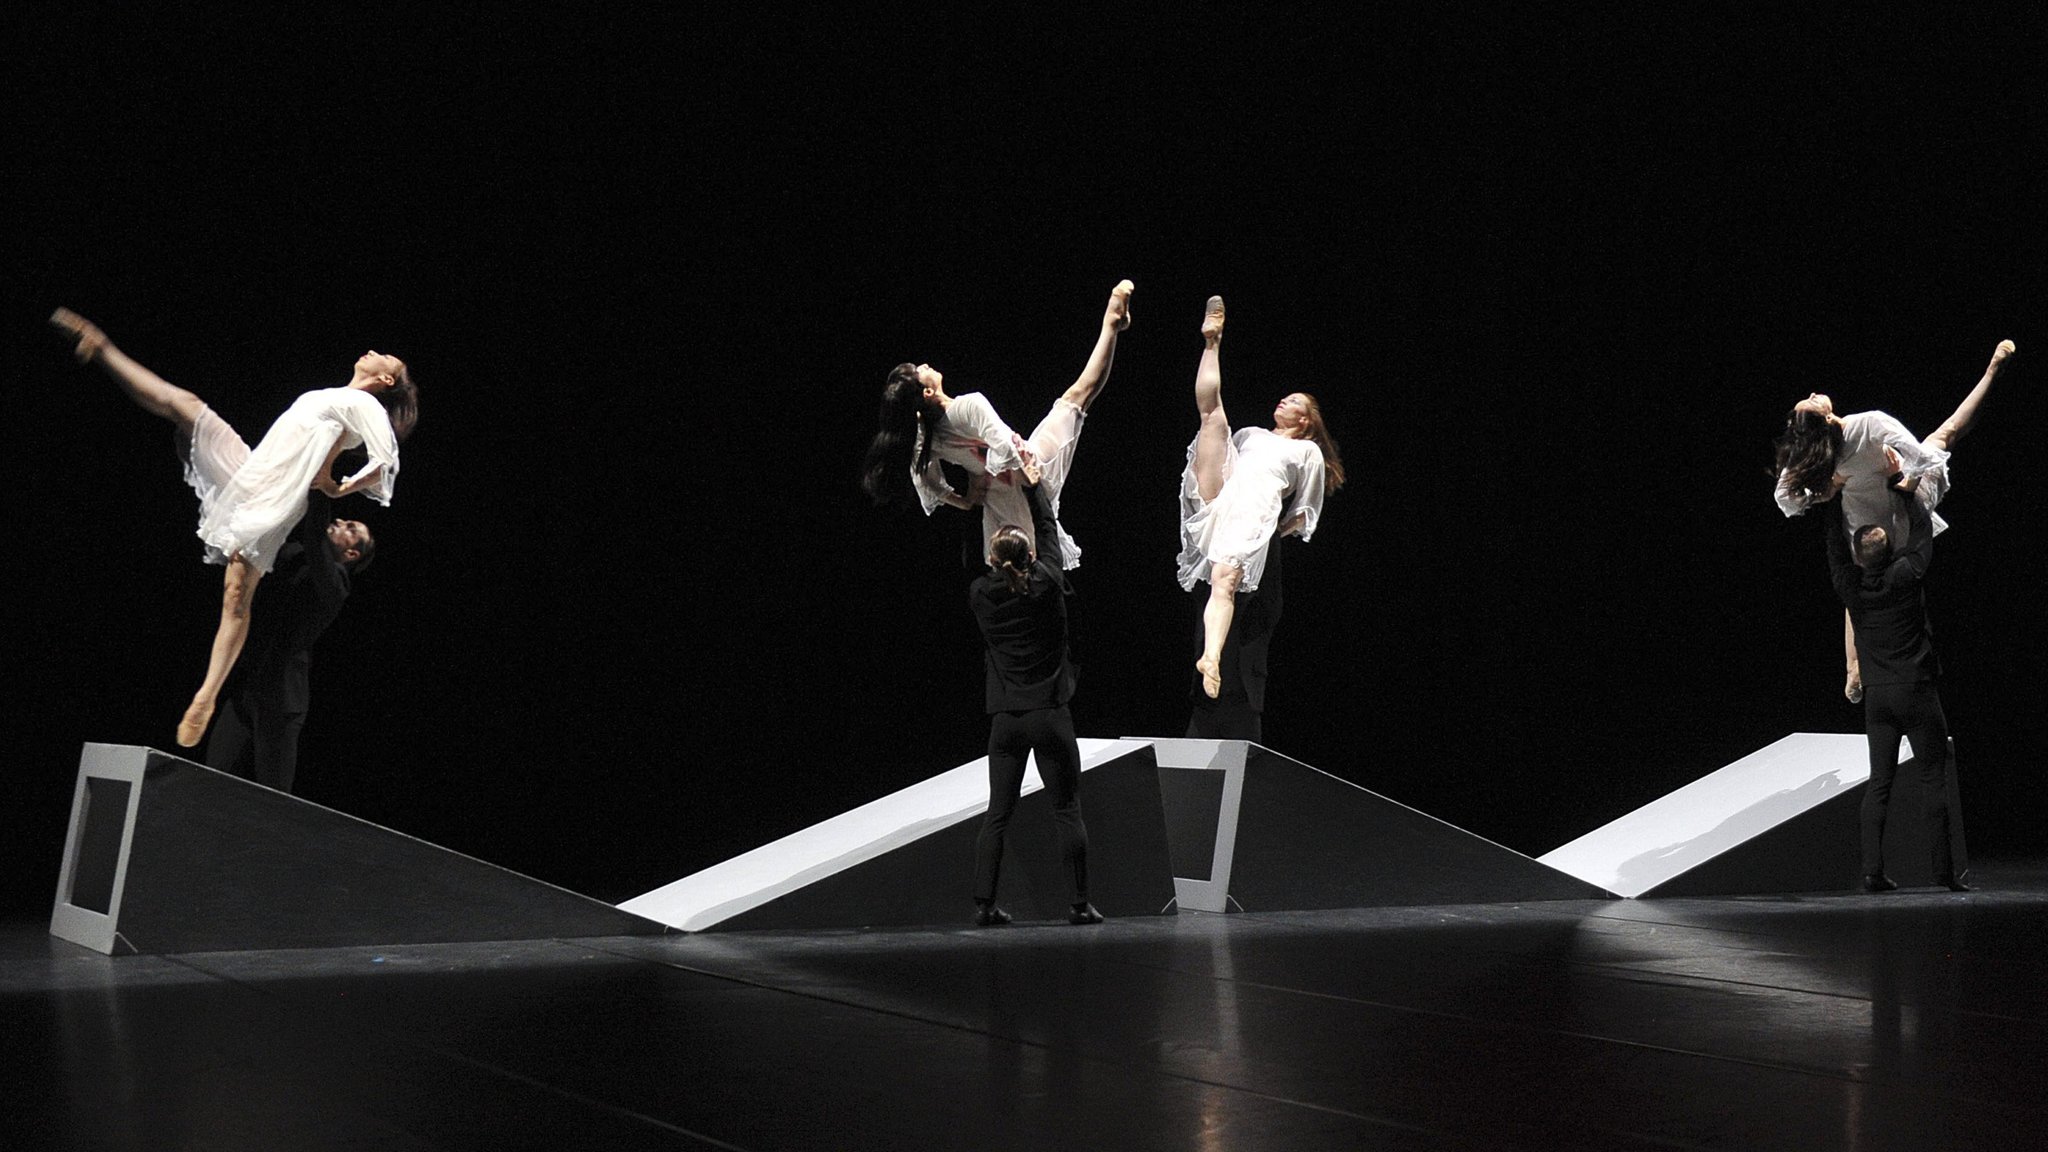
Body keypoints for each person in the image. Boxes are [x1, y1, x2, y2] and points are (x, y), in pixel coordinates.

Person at [50, 308, 416, 747]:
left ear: (386, 380)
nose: (373, 351)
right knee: (185, 406)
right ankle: (100, 345)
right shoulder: (336, 395)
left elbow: (385, 463)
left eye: (385, 357)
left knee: (236, 594)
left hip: (276, 498)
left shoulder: (367, 406)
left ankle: (205, 696)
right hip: (250, 469)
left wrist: (338, 488)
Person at [1774, 339, 2015, 701]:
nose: (1811, 393)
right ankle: (1993, 371)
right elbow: (1918, 457)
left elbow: (1786, 498)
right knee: (1945, 433)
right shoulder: (1869, 423)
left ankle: (1854, 669)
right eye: (1809, 400)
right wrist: (1906, 484)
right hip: (1898, 512)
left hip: (1863, 525)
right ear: (1826, 415)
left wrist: (1827, 490)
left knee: (1855, 594)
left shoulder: (1812, 447)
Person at [861, 280, 1133, 569]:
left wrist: (967, 500)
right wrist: (1030, 483)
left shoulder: (928, 436)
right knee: (1077, 396)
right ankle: (1111, 322)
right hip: (1028, 477)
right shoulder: (969, 405)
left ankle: (1114, 322)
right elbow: (1004, 445)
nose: (925, 365)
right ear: (927, 392)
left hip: (1000, 506)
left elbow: (923, 479)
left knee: (1014, 570)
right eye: (920, 371)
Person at [1178, 296, 1345, 699]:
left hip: (1253, 513)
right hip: (1224, 493)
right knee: (1212, 418)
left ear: (1306, 420)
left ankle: (1211, 658)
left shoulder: (1306, 451)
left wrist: (1270, 534)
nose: (1284, 400)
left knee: (1224, 581)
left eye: (1295, 401)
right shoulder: (1250, 434)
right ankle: (1212, 340)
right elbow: (1227, 461)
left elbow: (1305, 511)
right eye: (1286, 397)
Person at [967, 465, 1102, 927]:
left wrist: (976, 502)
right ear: (1029, 556)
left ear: (992, 559)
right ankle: (1079, 905)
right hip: (1049, 715)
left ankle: (984, 904)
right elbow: (1047, 530)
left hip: (1006, 720)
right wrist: (1032, 486)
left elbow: (975, 560)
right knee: (1067, 810)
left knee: (998, 814)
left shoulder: (981, 594)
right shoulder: (1046, 583)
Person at [1823, 477, 1969, 893]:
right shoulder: (1906, 574)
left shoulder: (1851, 588)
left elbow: (1835, 550)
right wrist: (1905, 494)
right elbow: (1922, 534)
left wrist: (1834, 500)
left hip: (1878, 696)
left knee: (1880, 782)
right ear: (1891, 550)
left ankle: (1872, 871)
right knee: (1932, 778)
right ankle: (1942, 873)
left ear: (1859, 557)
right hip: (1917, 689)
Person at [205, 490, 370, 793]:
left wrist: (320, 487)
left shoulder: (336, 585)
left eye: (351, 529)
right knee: (211, 780)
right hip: (246, 689)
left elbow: (314, 535)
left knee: (274, 796)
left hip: (280, 705)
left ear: (351, 555)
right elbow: (271, 542)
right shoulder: (296, 555)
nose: (341, 522)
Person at [1185, 523, 1284, 741]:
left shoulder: (1257, 613)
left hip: (1243, 705)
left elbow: (1270, 583)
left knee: (1244, 761)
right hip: (1205, 706)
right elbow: (1205, 573)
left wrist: (1268, 532)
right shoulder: (1211, 604)